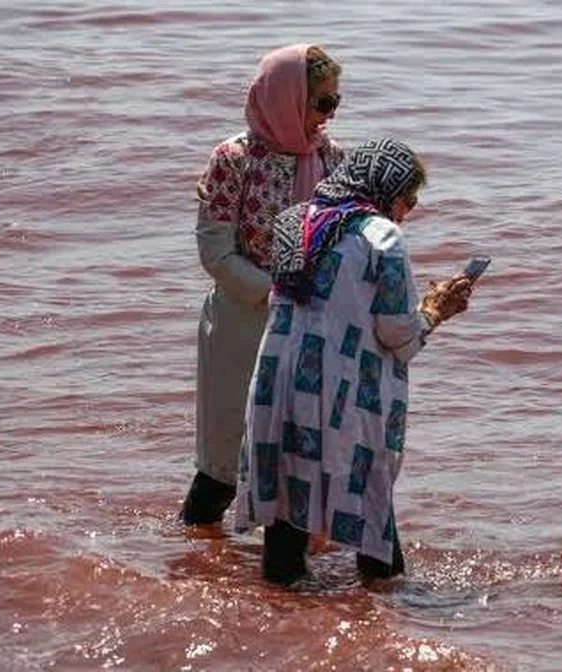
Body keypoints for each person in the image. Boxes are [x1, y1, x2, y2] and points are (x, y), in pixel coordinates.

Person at [233, 138, 475, 585]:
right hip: (342, 388)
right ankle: (390, 608)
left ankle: (278, 621)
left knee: (285, 514)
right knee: (369, 506)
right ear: (386, 190)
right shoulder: (383, 237)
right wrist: (437, 310)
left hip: (278, 380)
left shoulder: (293, 220)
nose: (411, 208)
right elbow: (396, 334)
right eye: (408, 197)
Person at [181, 44, 346, 525]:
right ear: (285, 98)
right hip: (242, 323)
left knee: (300, 463)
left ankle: (283, 584)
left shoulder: (333, 159)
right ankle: (192, 565)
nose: (328, 116)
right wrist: (276, 292)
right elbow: (215, 252)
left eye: (334, 103)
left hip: (311, 328)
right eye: (321, 103)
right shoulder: (233, 160)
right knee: (222, 468)